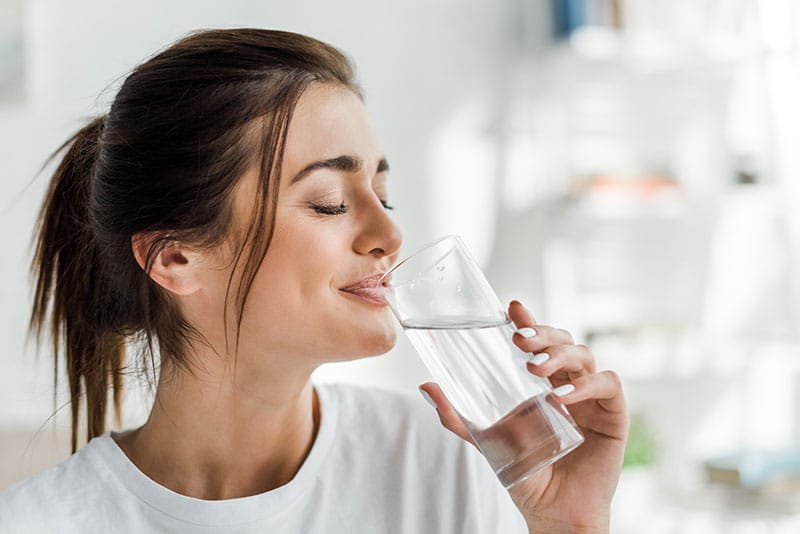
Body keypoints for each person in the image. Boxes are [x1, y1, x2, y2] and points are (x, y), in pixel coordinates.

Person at [0, 29, 628, 533]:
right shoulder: (41, 522)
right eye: (329, 201)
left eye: (383, 193)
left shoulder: (450, 462)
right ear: (176, 257)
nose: (388, 232)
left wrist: (569, 525)